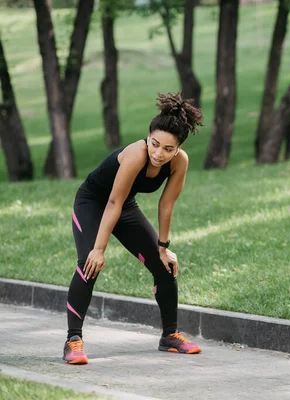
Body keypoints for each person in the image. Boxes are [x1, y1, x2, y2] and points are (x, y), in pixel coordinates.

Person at [63, 92, 203, 365]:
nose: (158, 153)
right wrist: (99, 249)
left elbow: (166, 205)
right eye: (155, 144)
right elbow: (112, 201)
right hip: (93, 202)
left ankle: (170, 335)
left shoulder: (179, 163)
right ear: (148, 137)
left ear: (178, 149)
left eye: (168, 149)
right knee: (89, 263)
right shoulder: (135, 154)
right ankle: (73, 341)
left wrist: (163, 249)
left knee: (164, 266)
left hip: (124, 205)